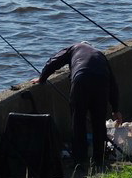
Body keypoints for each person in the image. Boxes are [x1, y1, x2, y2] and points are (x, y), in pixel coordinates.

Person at [35, 41, 122, 169]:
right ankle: (99, 160)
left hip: (81, 80)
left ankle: (80, 161)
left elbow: (53, 61)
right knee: (98, 122)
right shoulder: (99, 54)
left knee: (78, 121)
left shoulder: (73, 48)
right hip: (102, 81)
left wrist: (42, 78)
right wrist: (115, 109)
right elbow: (113, 84)